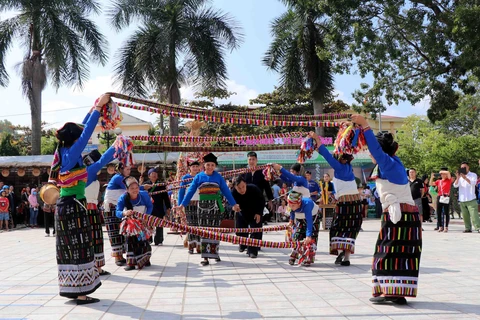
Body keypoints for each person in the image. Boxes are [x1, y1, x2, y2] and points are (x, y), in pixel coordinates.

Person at [351, 114, 421, 306]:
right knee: (401, 254)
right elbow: (375, 148)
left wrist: (365, 125)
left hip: (399, 216)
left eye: (372, 151)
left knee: (387, 252)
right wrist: (356, 130)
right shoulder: (394, 162)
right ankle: (396, 293)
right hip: (406, 216)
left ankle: (389, 292)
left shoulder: (388, 164)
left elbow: (375, 148)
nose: (370, 154)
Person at [47, 94, 110, 304]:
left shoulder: (63, 150)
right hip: (74, 206)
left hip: (65, 206)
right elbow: (86, 131)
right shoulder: (73, 153)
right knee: (80, 246)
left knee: (68, 248)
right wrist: (99, 108)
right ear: (75, 139)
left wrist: (95, 106)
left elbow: (81, 128)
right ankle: (81, 293)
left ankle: (72, 289)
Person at [178, 153, 240, 266]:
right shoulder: (199, 177)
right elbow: (191, 191)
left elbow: (226, 191)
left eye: (212, 165)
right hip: (202, 208)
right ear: (204, 165)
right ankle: (205, 257)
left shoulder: (218, 177)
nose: (210, 167)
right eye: (208, 165)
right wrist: (182, 204)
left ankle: (215, 253)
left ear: (214, 165)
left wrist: (234, 204)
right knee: (204, 231)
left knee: (215, 231)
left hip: (215, 207)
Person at [311, 131, 362, 266]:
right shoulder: (348, 167)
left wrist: (317, 139)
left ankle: (340, 250)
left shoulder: (339, 167)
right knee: (351, 228)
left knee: (337, 227)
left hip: (344, 202)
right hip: (356, 202)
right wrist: (355, 131)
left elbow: (327, 155)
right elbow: (352, 145)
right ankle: (346, 258)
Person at [83, 147, 115, 276]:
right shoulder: (88, 173)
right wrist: (116, 146)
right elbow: (104, 160)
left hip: (92, 210)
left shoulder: (88, 173)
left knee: (96, 239)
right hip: (87, 210)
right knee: (91, 239)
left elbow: (106, 160)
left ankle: (97, 267)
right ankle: (93, 267)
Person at [116, 176, 153, 271]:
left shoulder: (144, 195)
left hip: (143, 221)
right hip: (130, 224)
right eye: (132, 188)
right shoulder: (123, 198)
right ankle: (131, 263)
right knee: (130, 242)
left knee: (143, 240)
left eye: (136, 188)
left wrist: (146, 217)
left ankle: (145, 259)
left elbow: (149, 206)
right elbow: (118, 212)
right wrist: (124, 213)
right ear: (127, 190)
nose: (135, 190)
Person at [103, 162, 131, 266]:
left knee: (121, 232)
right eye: (127, 169)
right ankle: (117, 257)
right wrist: (140, 188)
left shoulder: (123, 178)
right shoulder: (118, 178)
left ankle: (121, 256)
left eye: (129, 169)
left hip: (118, 208)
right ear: (121, 169)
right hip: (110, 209)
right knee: (114, 232)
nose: (129, 171)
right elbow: (130, 188)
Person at [231, 175, 265, 258]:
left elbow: (262, 201)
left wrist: (259, 213)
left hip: (255, 212)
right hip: (241, 212)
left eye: (243, 187)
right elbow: (229, 204)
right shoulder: (233, 193)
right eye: (239, 188)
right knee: (240, 230)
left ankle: (253, 250)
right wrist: (233, 207)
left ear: (245, 184)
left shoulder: (254, 188)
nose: (242, 190)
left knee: (255, 230)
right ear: (235, 187)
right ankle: (242, 245)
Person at [286, 191, 320, 266]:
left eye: (293, 205)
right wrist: (291, 221)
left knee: (310, 239)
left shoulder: (306, 205)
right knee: (297, 235)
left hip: (313, 217)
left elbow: (309, 222)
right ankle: (294, 254)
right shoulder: (292, 205)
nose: (291, 206)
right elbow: (291, 211)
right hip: (300, 218)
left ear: (299, 203)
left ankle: (308, 257)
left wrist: (308, 235)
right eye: (289, 204)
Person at [178, 161, 202, 254]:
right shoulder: (185, 178)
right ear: (190, 168)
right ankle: (191, 246)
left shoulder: (201, 177)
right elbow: (181, 192)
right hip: (189, 203)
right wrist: (180, 205)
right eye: (193, 166)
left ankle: (199, 246)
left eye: (197, 166)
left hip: (200, 203)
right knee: (191, 224)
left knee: (199, 224)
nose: (195, 168)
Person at [143, 168, 171, 246]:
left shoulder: (161, 185)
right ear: (149, 176)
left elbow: (165, 197)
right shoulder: (145, 185)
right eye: (152, 174)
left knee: (159, 223)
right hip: (148, 207)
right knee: (148, 223)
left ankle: (159, 240)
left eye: (155, 174)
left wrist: (168, 207)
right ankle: (148, 239)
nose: (154, 175)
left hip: (159, 207)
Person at [454, 161, 480, 233]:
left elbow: (473, 183)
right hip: (462, 199)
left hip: (471, 198)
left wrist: (465, 178)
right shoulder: (460, 177)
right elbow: (455, 185)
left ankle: (478, 227)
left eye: (464, 167)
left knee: (474, 215)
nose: (463, 169)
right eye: (462, 167)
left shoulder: (473, 175)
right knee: (465, 216)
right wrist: (458, 177)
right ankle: (468, 228)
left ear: (468, 167)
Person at [429, 168, 455, 232]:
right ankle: (440, 226)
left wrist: (441, 171)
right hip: (439, 196)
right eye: (442, 174)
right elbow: (431, 184)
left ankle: (446, 226)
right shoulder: (439, 181)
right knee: (439, 212)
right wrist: (432, 177)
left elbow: (448, 173)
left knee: (446, 212)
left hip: (446, 196)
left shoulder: (449, 180)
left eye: (444, 174)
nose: (443, 175)